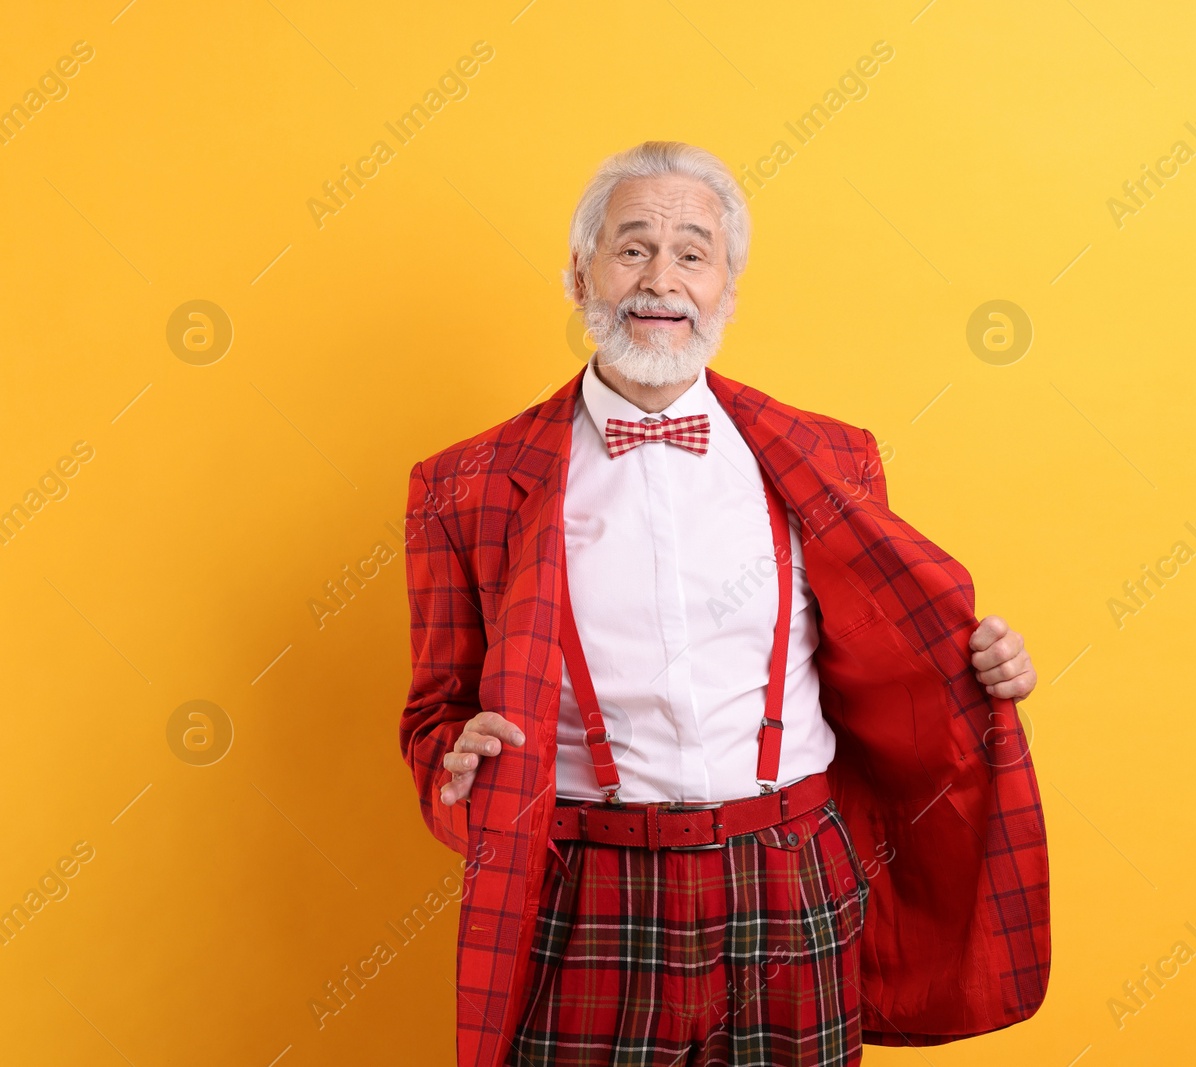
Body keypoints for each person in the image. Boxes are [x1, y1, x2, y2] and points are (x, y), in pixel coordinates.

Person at [399, 141, 1051, 1067]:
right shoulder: (461, 487)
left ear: (728, 287)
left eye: (693, 253)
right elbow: (435, 714)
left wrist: (988, 668)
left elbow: (899, 661)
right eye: (632, 248)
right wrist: (452, 769)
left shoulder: (832, 457)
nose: (660, 278)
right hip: (588, 887)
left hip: (791, 875)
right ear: (579, 274)